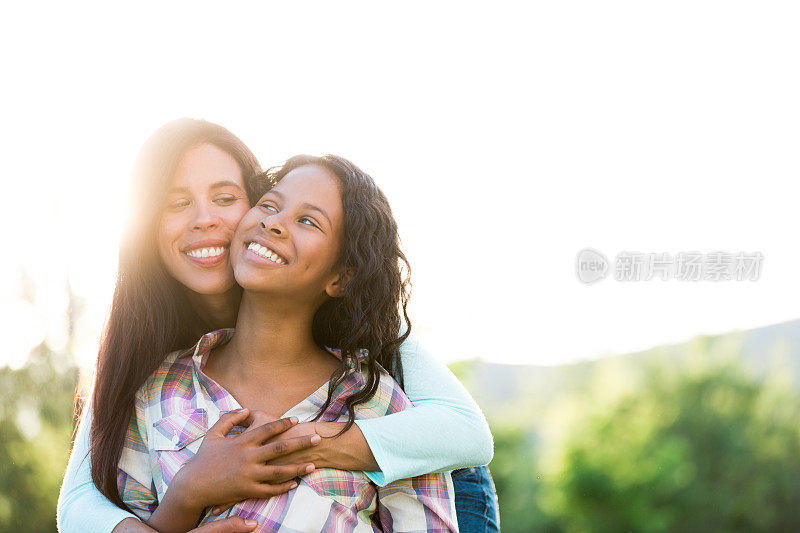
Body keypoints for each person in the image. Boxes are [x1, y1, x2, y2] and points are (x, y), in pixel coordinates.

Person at [56, 119, 498, 533]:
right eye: (176, 203)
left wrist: (284, 446)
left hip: (443, 473)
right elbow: (80, 502)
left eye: (226, 198)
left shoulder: (370, 373)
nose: (204, 218)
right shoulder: (150, 370)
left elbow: (465, 431)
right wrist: (190, 490)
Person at [119, 155, 458, 531]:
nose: (273, 222)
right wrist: (188, 491)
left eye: (308, 221)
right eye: (269, 204)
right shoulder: (158, 387)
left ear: (341, 278)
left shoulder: (375, 401)